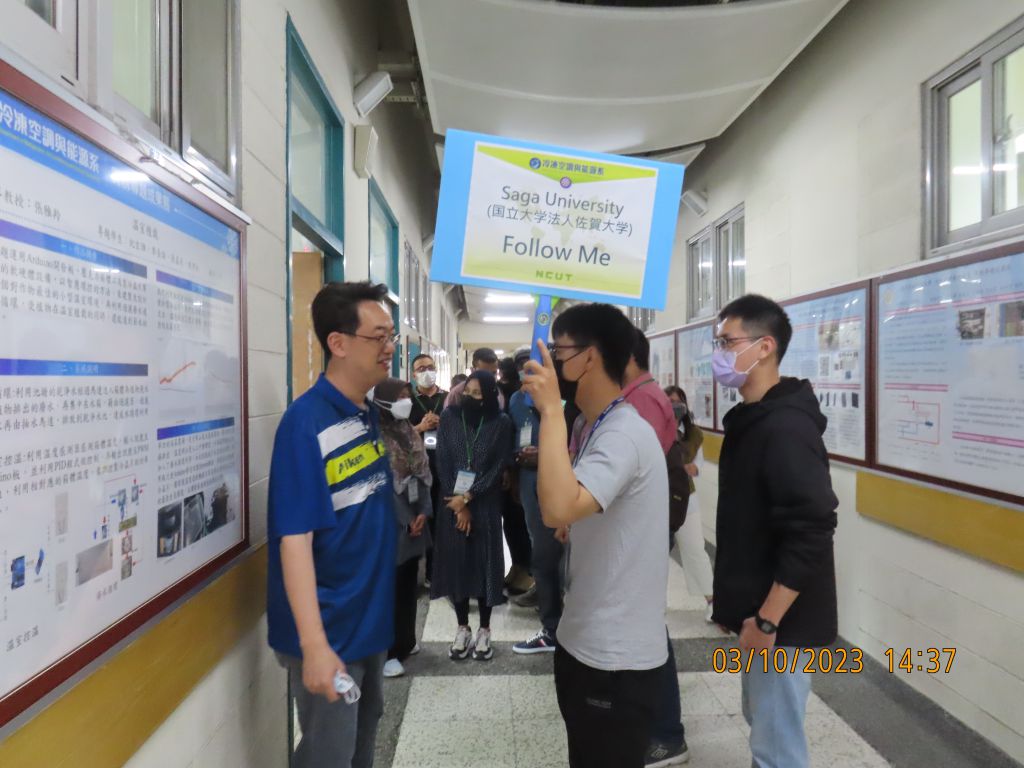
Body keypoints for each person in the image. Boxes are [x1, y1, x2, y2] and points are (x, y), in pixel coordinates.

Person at [521, 303, 669, 768]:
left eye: (558, 352)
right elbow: (574, 506)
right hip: (588, 640)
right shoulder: (596, 424)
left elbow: (557, 508)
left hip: (614, 659)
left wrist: (550, 412)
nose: (549, 364)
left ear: (588, 357)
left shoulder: (622, 433)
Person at [266, 281, 398, 768]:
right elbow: (294, 539)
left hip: (367, 621)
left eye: (391, 336)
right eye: (378, 337)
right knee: (330, 754)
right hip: (330, 628)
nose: (389, 348)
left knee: (361, 744)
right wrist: (315, 646)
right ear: (338, 343)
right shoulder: (305, 424)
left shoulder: (365, 413)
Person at [712, 294, 838, 768]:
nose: (719, 354)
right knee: (763, 722)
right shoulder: (754, 418)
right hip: (760, 612)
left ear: (764, 347)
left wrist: (767, 621)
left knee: (777, 746)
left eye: (727, 342)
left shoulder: (785, 427)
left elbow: (813, 527)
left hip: (781, 622)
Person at [618, 329, 689, 768]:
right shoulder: (637, 396)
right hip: (640, 529)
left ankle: (667, 734)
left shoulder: (641, 402)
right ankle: (652, 724)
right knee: (641, 626)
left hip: (642, 530)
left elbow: (629, 475)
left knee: (647, 628)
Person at [431, 370, 513, 662]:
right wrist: (458, 502)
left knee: (485, 564)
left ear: (489, 395)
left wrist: (468, 496)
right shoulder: (450, 417)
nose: (470, 397)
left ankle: (485, 630)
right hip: (451, 502)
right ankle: (462, 627)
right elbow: (442, 459)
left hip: (484, 503)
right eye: (467, 391)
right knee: (457, 565)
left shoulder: (500, 423)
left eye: (477, 393)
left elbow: (498, 466)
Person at [374, 378, 432, 679]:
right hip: (390, 523)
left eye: (407, 396)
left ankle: (406, 640)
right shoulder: (374, 436)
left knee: (410, 583)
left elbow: (423, 475)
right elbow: (380, 484)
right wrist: (406, 518)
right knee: (390, 588)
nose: (405, 402)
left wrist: (423, 512)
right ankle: (388, 653)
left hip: (414, 519)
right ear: (382, 401)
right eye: (399, 397)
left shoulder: (408, 431)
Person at [664, 385, 714, 622]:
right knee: (655, 556)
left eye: (678, 402)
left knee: (695, 551)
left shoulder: (694, 434)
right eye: (669, 401)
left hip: (686, 499)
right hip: (659, 498)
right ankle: (653, 604)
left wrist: (692, 468)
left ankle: (713, 602)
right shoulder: (656, 429)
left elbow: (697, 465)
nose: (675, 406)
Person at [408, 353, 448, 585]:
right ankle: (416, 575)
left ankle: (437, 573)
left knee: (443, 522)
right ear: (414, 374)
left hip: (444, 467)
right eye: (421, 369)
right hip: (417, 471)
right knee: (419, 520)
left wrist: (443, 425)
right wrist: (421, 427)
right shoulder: (408, 402)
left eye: (430, 367)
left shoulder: (448, 398)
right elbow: (398, 436)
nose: (427, 372)